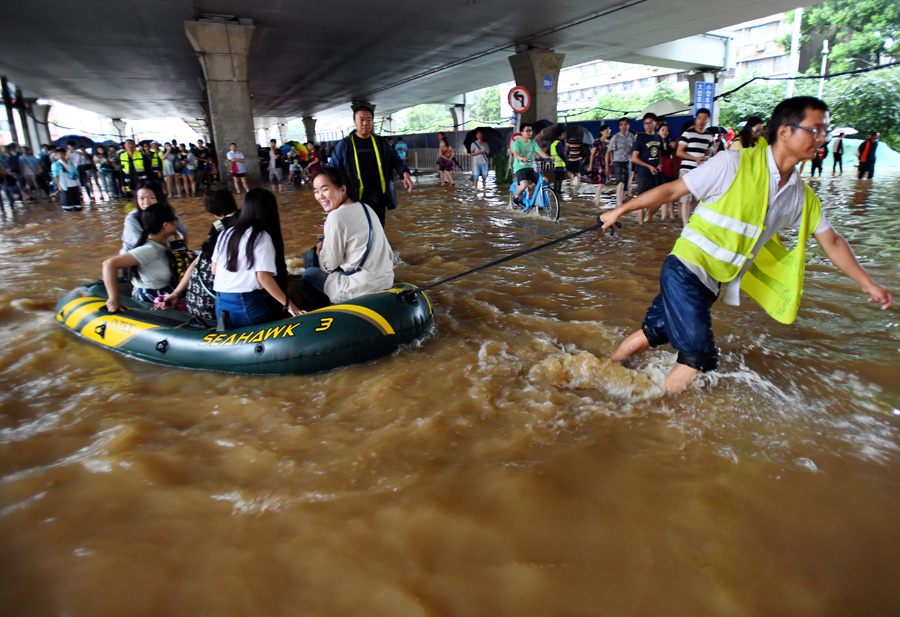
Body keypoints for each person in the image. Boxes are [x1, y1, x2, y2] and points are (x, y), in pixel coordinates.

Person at [598, 96, 892, 394]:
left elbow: (832, 241)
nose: (822, 138)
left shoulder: (801, 197)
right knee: (699, 357)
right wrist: (620, 210)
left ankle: (604, 372)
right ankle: (647, 413)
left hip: (712, 282)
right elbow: (675, 189)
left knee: (655, 330)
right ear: (785, 131)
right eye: (815, 129)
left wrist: (868, 284)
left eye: (824, 131)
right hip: (685, 268)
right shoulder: (733, 163)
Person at [298, 166, 395, 310]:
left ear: (342, 189)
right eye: (316, 191)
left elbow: (329, 266)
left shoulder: (335, 217)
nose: (320, 196)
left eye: (325, 189)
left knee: (309, 274)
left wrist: (320, 253)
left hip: (362, 288)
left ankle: (326, 312)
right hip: (386, 281)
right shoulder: (366, 208)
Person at [211, 188, 301, 328]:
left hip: (221, 306)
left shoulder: (226, 233)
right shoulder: (261, 236)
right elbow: (263, 277)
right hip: (247, 307)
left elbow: (214, 269)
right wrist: (290, 305)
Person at [155, 189, 238, 320]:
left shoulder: (217, 227)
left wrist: (176, 293)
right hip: (221, 307)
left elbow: (198, 261)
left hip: (196, 304)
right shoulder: (245, 223)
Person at [329, 102, 413, 228]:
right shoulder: (344, 145)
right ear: (354, 122)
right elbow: (332, 170)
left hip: (379, 197)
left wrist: (404, 173)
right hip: (355, 198)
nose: (365, 123)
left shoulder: (381, 143)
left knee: (378, 229)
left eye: (369, 120)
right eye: (361, 120)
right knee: (359, 233)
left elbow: (395, 159)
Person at [102, 203, 180, 311]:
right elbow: (109, 264)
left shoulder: (163, 243)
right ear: (166, 225)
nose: (177, 222)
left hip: (165, 290)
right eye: (175, 219)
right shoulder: (150, 250)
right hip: (151, 296)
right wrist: (113, 299)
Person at [121, 183, 189, 252]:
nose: (146, 202)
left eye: (151, 197)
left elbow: (184, 230)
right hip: (134, 254)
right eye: (141, 198)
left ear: (159, 198)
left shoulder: (166, 211)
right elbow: (140, 244)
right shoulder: (132, 218)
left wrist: (185, 251)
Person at [675, 108, 715, 226]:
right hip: (686, 169)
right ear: (696, 119)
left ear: (708, 120)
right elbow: (679, 152)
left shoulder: (709, 137)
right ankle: (685, 225)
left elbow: (710, 151)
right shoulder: (688, 133)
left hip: (700, 171)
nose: (702, 121)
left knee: (695, 199)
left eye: (705, 119)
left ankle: (688, 222)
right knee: (685, 199)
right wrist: (695, 158)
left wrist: (707, 156)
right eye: (699, 118)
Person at [631, 113, 664, 223]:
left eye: (650, 123)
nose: (648, 125)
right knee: (642, 199)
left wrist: (659, 164)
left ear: (655, 123)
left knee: (659, 199)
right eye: (645, 123)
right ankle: (641, 224)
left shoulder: (659, 137)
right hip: (643, 172)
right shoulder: (641, 137)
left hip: (656, 173)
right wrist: (649, 166)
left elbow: (659, 154)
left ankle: (647, 218)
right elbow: (634, 158)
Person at [511, 123, 549, 204]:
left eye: (531, 130)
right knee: (524, 184)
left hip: (531, 167)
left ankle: (537, 200)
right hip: (520, 167)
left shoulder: (533, 142)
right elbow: (516, 155)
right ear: (521, 132)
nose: (529, 132)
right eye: (527, 131)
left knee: (544, 181)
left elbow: (540, 152)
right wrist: (522, 158)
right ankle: (516, 196)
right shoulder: (517, 143)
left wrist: (549, 158)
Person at [605, 118, 635, 209]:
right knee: (620, 182)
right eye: (621, 124)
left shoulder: (632, 137)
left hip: (628, 162)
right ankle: (619, 204)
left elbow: (634, 150)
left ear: (629, 125)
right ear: (619, 126)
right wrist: (607, 166)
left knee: (626, 186)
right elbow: (608, 152)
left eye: (625, 124)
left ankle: (621, 200)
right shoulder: (615, 137)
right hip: (617, 162)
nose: (623, 126)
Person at [587, 125, 610, 206]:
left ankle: (596, 198)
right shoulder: (597, 142)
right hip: (598, 164)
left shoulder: (608, 142)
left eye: (609, 130)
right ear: (601, 132)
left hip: (605, 164)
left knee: (603, 182)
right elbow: (592, 154)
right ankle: (596, 199)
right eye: (606, 130)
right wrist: (590, 165)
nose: (608, 132)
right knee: (601, 182)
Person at [549, 131, 566, 196]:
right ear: (560, 135)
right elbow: (561, 154)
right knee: (560, 178)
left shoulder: (552, 144)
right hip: (560, 164)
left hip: (554, 164)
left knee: (556, 178)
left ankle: (555, 191)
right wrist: (566, 160)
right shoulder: (559, 143)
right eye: (563, 135)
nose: (563, 136)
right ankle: (558, 192)